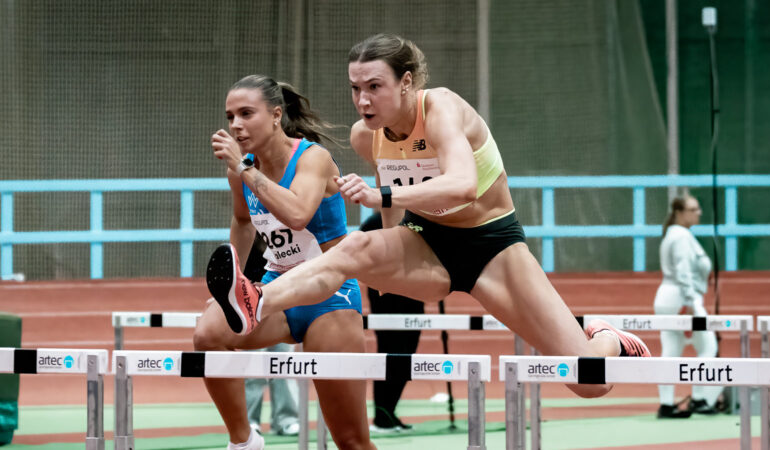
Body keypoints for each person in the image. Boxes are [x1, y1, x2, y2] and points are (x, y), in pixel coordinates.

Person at [206, 34, 650, 403]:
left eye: (374, 86)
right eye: (355, 88)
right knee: (354, 249)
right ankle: (256, 300)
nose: (362, 99)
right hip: (426, 240)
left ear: (406, 82)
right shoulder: (368, 137)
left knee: (589, 381)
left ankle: (606, 334)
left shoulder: (440, 109)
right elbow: (395, 204)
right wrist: (385, 236)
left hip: (492, 247)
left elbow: (462, 185)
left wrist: (382, 193)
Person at [194, 74, 375, 450]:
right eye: (230, 116)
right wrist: (234, 284)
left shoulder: (313, 158)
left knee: (351, 441)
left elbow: (296, 214)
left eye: (246, 113)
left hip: (330, 297)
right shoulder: (240, 168)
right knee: (208, 333)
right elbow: (243, 221)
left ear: (276, 115)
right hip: (275, 291)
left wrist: (245, 170)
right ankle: (244, 440)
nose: (235, 125)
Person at [654, 195, 722, 418]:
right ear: (680, 213)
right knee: (708, 347)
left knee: (671, 352)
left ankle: (666, 404)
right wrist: (691, 304)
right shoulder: (681, 237)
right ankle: (699, 399)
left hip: (669, 297)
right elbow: (684, 273)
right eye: (694, 208)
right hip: (682, 299)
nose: (699, 212)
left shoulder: (675, 234)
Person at [359, 211, 423, 432]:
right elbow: (359, 259)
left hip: (414, 296)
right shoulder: (375, 223)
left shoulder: (419, 221)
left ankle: (389, 410)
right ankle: (381, 415)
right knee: (390, 351)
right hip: (385, 299)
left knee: (407, 354)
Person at [240, 239, 300, 437]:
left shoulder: (287, 241)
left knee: (285, 363)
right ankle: (250, 421)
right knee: (253, 366)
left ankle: (287, 419)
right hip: (252, 309)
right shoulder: (248, 241)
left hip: (283, 305)